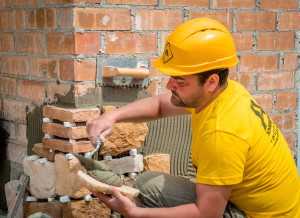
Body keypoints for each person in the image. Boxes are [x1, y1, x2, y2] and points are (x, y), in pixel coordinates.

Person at [87, 18, 300, 217]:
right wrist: (113, 116)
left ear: (211, 81)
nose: (170, 85)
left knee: (149, 192)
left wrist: (136, 213)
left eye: (180, 81)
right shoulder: (225, 92)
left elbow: (207, 214)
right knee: (148, 183)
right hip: (263, 204)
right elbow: (160, 106)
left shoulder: (222, 132)